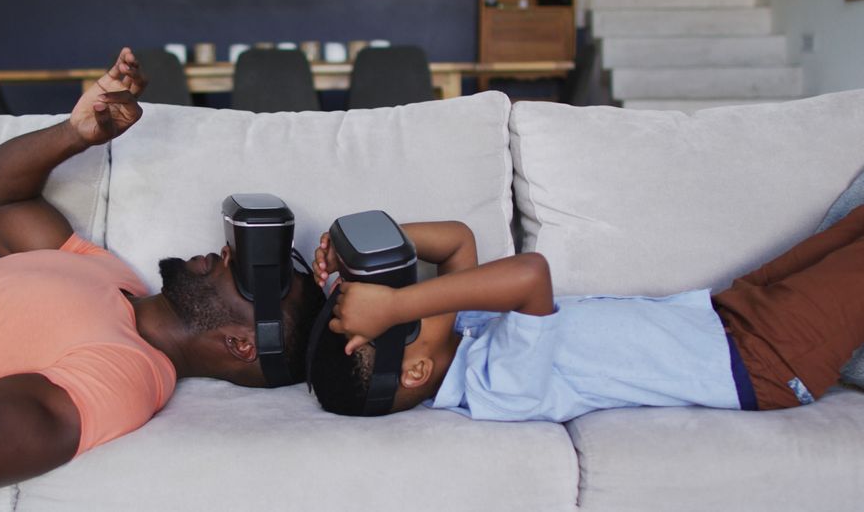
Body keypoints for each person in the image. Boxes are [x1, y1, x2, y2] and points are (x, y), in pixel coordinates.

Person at [0, 48, 325, 497]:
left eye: (258, 278)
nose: (231, 254)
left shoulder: (125, 375)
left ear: (241, 344)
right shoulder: (117, 281)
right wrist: (75, 134)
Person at [307, 202, 864, 419]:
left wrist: (356, 244)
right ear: (415, 371)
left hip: (723, 313)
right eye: (398, 323)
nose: (401, 304)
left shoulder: (462, 330)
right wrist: (397, 301)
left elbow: (456, 241)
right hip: (764, 357)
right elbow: (530, 275)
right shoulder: (498, 388)